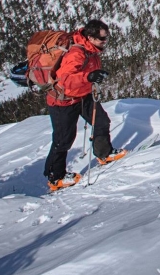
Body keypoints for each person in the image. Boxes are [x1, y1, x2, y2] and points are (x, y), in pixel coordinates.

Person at [43, 19, 127, 191]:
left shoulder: (92, 50)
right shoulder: (76, 53)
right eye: (102, 39)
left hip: (83, 95)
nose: (105, 42)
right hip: (63, 101)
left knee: (101, 121)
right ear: (90, 37)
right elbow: (65, 80)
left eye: (106, 38)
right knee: (63, 139)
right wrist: (88, 77)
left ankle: (104, 153)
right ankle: (55, 177)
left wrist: (92, 77)